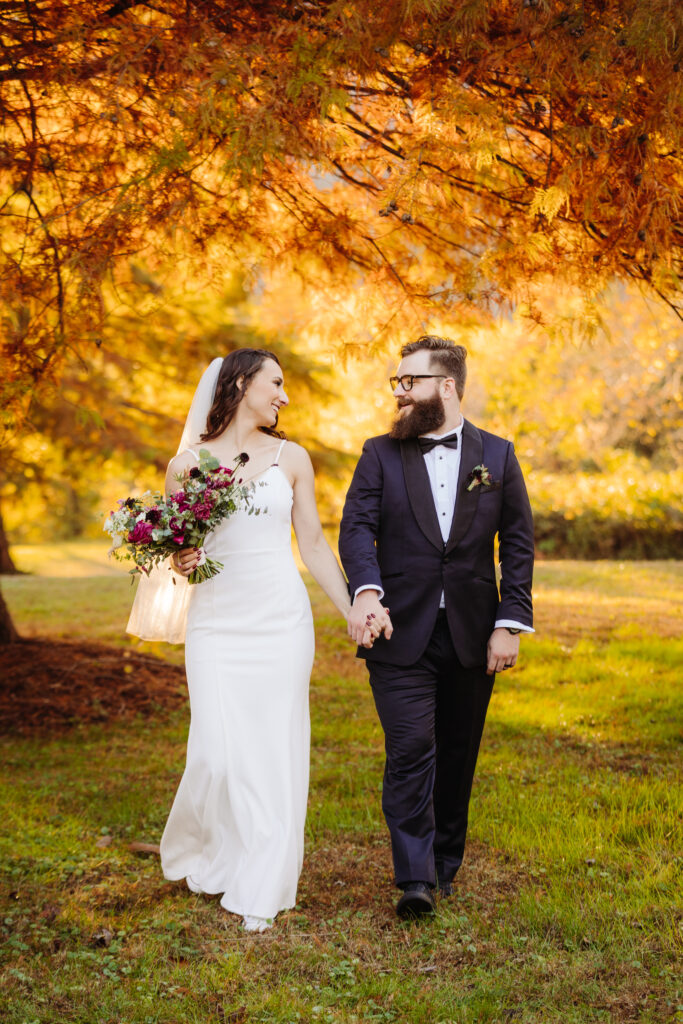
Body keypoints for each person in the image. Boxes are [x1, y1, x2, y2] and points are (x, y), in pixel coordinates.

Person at [128, 350, 378, 933]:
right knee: (215, 751)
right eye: (276, 383)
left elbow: (313, 543)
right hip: (215, 622)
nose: (284, 396)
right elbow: (180, 559)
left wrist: (348, 611)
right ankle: (215, 849)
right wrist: (183, 559)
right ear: (241, 384)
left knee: (273, 748)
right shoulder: (185, 465)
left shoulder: (292, 459)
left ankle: (262, 881)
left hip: (280, 619)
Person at [339, 335, 534, 919]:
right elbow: (356, 528)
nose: (399, 392)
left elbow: (518, 545)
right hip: (398, 630)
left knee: (457, 752)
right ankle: (415, 878)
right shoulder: (378, 453)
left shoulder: (496, 456)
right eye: (397, 383)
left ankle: (446, 862)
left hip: (475, 632)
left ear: (446, 387)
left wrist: (510, 623)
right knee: (410, 749)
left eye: (410, 382)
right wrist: (368, 592)